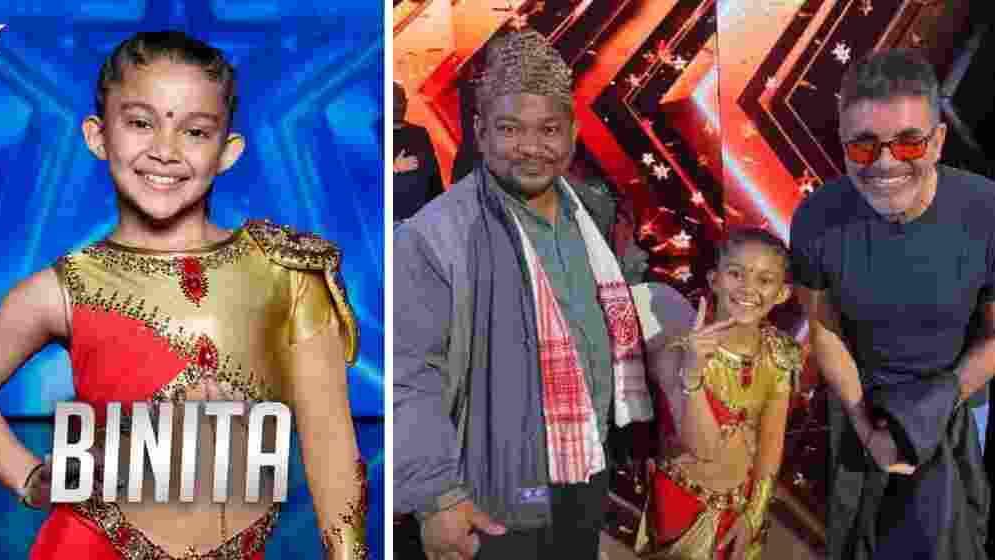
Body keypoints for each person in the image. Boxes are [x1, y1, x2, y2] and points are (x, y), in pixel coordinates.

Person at [0, 31, 368, 560]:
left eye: (194, 131)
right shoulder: (62, 288)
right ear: (98, 136)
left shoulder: (287, 271)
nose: (165, 151)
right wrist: (31, 477)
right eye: (141, 123)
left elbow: (330, 442)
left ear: (227, 151)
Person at [393, 30, 654, 559]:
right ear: (480, 133)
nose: (532, 147)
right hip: (493, 478)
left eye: (549, 129)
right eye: (510, 129)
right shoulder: (436, 235)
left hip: (585, 462)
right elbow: (408, 372)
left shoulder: (592, 212)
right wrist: (439, 496)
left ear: (573, 135)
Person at [790, 48, 991, 559]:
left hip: (964, 404)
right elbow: (824, 328)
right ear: (842, 147)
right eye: (864, 145)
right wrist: (865, 423)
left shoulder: (987, 209)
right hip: (863, 403)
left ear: (939, 141)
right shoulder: (815, 218)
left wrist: (929, 411)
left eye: (908, 142)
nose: (884, 163)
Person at [632, 229, 801, 560]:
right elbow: (703, 448)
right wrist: (693, 372)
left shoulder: (780, 354)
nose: (748, 289)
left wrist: (754, 515)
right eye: (736, 274)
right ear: (714, 279)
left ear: (782, 293)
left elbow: (770, 442)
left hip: (740, 510)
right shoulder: (676, 353)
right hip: (681, 505)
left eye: (765, 280)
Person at [394, 81, 445, 223]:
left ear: (406, 102)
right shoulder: (375, 132)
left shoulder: (420, 133)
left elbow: (434, 175)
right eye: (392, 101)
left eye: (400, 101)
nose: (397, 106)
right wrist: (394, 168)